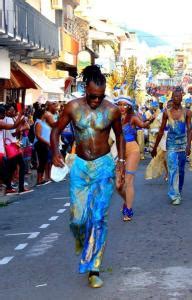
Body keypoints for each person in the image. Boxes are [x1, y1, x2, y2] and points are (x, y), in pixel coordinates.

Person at [51, 65, 125, 288]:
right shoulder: (73, 107)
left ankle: (94, 268)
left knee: (99, 218)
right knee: (78, 219)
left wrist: (120, 163)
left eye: (100, 97)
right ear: (85, 90)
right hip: (81, 167)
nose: (96, 101)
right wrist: (55, 152)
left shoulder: (112, 110)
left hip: (103, 166)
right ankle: (82, 240)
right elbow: (55, 130)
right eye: (92, 96)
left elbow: (120, 136)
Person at [115, 96, 154, 221]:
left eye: (124, 105)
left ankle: (128, 210)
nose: (122, 107)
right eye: (119, 104)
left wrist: (149, 121)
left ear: (129, 106)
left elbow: (142, 125)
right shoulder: (113, 119)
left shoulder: (132, 118)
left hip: (132, 150)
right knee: (118, 185)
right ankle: (127, 200)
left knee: (128, 181)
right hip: (118, 152)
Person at [152, 87, 192, 205]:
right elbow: (160, 131)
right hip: (171, 144)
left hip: (183, 144)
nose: (177, 98)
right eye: (175, 96)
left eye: (179, 97)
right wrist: (154, 147)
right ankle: (174, 195)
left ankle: (178, 190)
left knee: (181, 170)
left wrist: (189, 145)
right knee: (173, 169)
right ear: (172, 98)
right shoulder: (166, 112)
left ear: (181, 98)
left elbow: (190, 129)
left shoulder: (187, 112)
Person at [34, 108, 52, 186]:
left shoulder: (43, 122)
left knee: (44, 161)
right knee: (42, 161)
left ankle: (41, 178)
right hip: (40, 144)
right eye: (45, 113)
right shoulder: (38, 123)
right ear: (42, 114)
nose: (47, 114)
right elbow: (38, 136)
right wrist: (47, 142)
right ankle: (39, 179)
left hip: (44, 144)